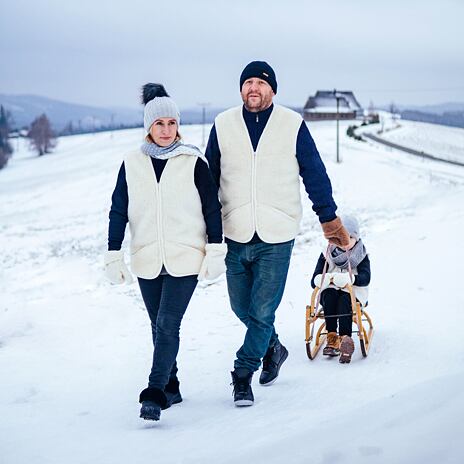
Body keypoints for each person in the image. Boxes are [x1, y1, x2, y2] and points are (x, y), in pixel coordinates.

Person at [205, 61, 352, 406]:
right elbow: (209, 179)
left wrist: (329, 219)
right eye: (248, 83)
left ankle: (243, 374)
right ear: (241, 89)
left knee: (261, 312)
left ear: (272, 89)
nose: (253, 88)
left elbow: (314, 173)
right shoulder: (223, 125)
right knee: (242, 307)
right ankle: (274, 347)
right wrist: (207, 227)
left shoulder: (292, 124)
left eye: (260, 82)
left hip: (277, 236)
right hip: (235, 232)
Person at [104, 84, 226, 421]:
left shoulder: (192, 161)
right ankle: (172, 385)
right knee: (157, 327)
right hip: (146, 258)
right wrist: (113, 253)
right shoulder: (132, 163)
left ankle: (155, 392)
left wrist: (215, 249)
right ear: (149, 126)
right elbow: (118, 210)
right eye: (160, 124)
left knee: (168, 323)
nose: (167, 130)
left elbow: (211, 208)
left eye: (172, 123)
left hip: (186, 256)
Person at [311, 215, 371, 363]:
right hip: (332, 290)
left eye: (348, 237)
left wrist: (352, 279)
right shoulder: (327, 254)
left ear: (356, 238)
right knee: (329, 294)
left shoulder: (361, 254)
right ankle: (331, 336)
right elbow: (315, 278)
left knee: (345, 300)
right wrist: (322, 280)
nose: (344, 242)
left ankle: (345, 339)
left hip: (353, 294)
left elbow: (366, 277)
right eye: (340, 238)